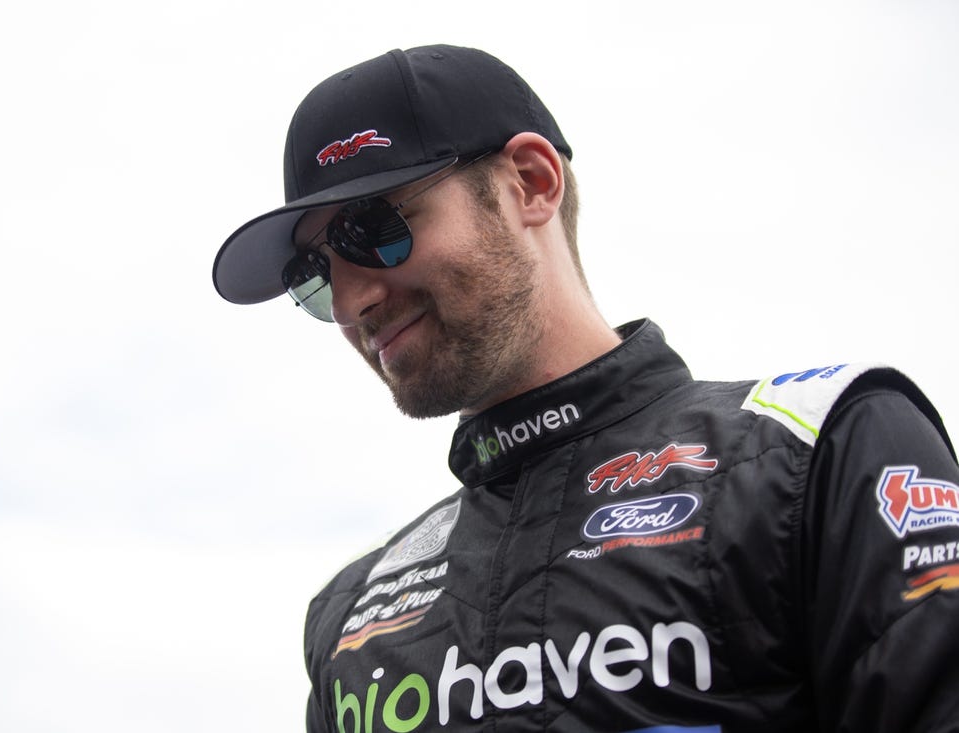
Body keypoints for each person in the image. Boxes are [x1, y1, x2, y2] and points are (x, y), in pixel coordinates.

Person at [212, 44, 959, 733]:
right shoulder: (350, 612)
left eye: (371, 230)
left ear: (530, 184)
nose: (349, 304)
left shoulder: (818, 453)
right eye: (312, 275)